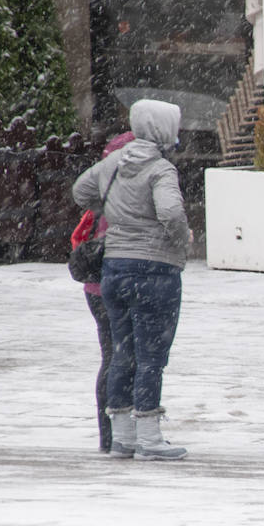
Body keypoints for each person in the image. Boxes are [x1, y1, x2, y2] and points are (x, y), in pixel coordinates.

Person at [71, 99, 190, 460]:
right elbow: (170, 212)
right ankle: (150, 438)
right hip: (154, 270)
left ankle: (121, 435)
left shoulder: (112, 163)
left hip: (114, 269)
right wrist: (179, 237)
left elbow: (81, 192)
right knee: (151, 355)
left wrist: (115, 215)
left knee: (122, 353)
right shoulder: (161, 170)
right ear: (164, 130)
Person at [70, 130, 135, 453]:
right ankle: (120, 430)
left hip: (95, 287)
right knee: (122, 358)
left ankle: (109, 433)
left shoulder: (101, 183)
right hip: (114, 283)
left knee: (112, 356)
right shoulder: (126, 188)